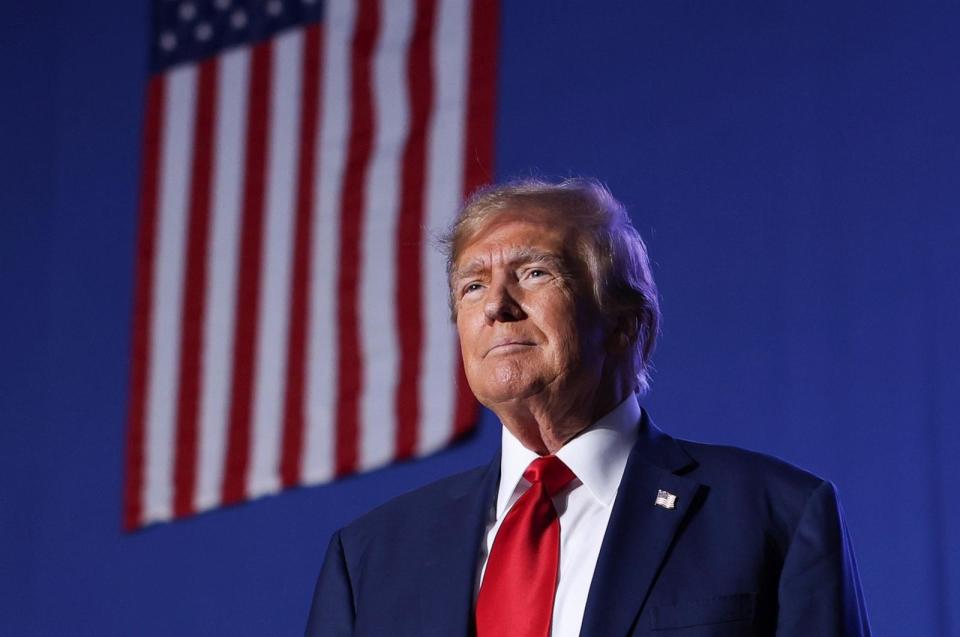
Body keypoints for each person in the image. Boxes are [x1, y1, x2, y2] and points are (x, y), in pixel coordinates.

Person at [305, 178, 870, 636]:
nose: (496, 306)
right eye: (472, 286)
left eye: (534, 273)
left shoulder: (775, 515)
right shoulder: (370, 558)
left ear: (624, 323)